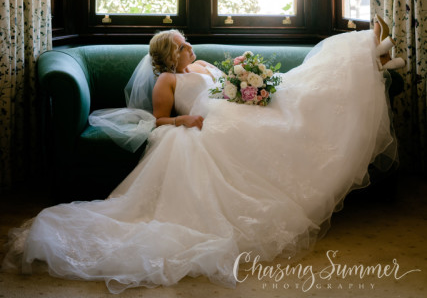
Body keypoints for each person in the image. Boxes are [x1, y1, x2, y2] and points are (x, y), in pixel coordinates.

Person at [2, 21, 402, 294]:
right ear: (170, 54)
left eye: (186, 42)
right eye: (182, 45)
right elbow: (159, 120)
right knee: (288, 125)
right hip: (209, 124)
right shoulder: (167, 79)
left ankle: (371, 54)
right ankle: (376, 57)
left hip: (237, 111)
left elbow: (228, 88)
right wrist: (184, 120)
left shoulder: (203, 64)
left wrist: (251, 85)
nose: (189, 47)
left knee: (298, 90)